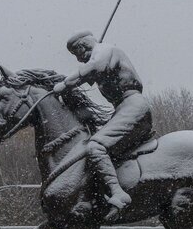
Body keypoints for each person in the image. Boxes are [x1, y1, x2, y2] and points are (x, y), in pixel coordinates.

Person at [53, 31, 152, 214]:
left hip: (132, 106)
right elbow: (89, 74)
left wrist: (65, 84)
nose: (79, 60)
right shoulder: (100, 55)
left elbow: (92, 68)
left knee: (96, 146)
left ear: (83, 46)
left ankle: (118, 193)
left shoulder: (105, 50)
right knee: (95, 148)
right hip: (122, 108)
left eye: (77, 54)